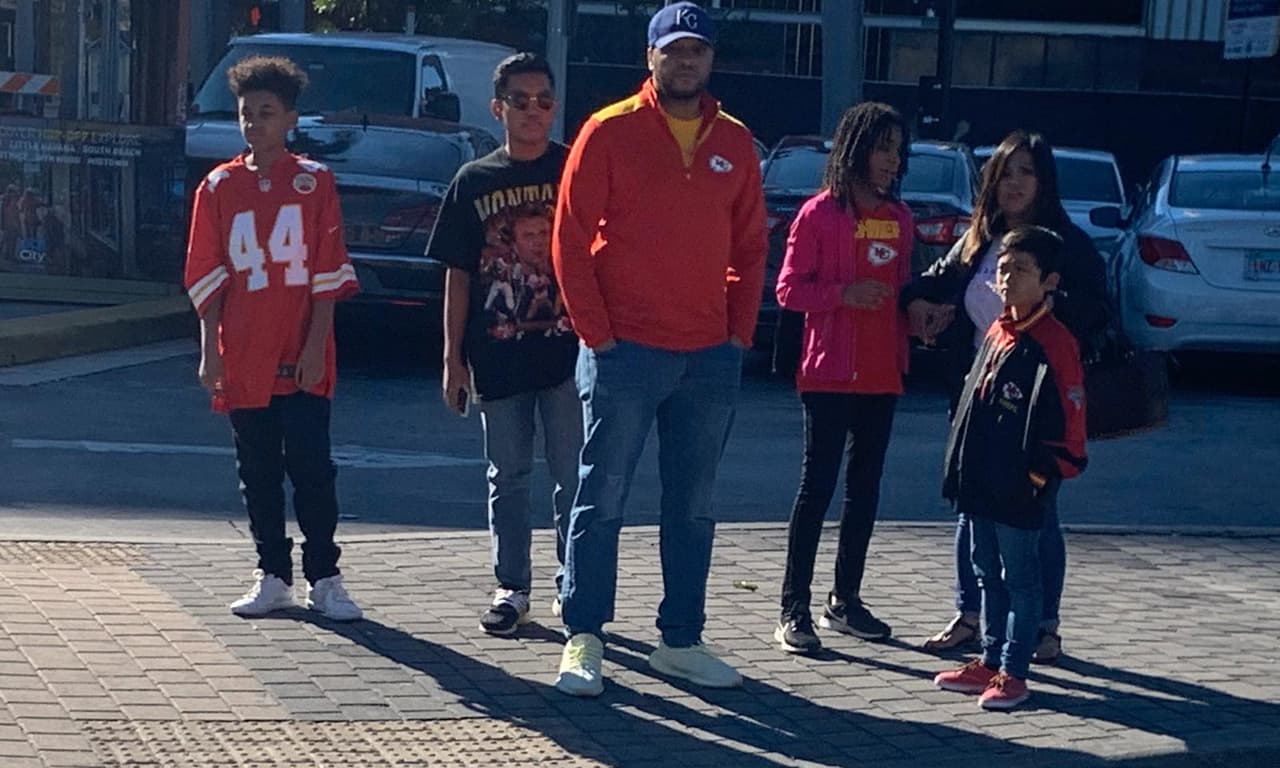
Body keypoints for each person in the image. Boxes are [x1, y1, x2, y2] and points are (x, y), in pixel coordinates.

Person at [550, 1, 768, 696]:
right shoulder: (607, 131)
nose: (685, 61)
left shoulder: (735, 140)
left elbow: (752, 247)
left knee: (693, 504)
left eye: (697, 51)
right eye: (673, 50)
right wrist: (598, 334)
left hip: (708, 355)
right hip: (626, 352)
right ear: (650, 57)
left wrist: (737, 334)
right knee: (601, 496)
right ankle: (584, 635)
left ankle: (681, 639)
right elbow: (569, 238)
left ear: (710, 60)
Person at [900, 130, 1107, 663]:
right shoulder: (979, 238)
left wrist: (1053, 313)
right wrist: (919, 305)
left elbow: (1096, 316)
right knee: (971, 511)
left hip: (1035, 410)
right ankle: (972, 617)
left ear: (1044, 181)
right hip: (976, 399)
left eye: (1026, 172)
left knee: (1036, 517)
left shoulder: (1064, 244)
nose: (1013, 183)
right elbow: (934, 283)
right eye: (1005, 171)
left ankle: (1043, 627)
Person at [183, 55, 362, 622]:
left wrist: (315, 347)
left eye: (266, 112)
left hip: (301, 350)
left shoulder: (315, 183)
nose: (254, 123)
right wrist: (211, 349)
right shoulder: (217, 187)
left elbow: (328, 273)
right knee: (256, 468)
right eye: (245, 113)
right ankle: (271, 572)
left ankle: (325, 577)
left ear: (291, 119)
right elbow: (207, 275)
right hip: (245, 352)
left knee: (312, 467)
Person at [428, 52, 581, 637]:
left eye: (544, 99)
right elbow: (459, 273)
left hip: (569, 355)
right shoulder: (475, 181)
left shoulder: (574, 171)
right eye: (521, 100)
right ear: (499, 108)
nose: (533, 110)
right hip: (497, 353)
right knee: (508, 476)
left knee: (573, 477)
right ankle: (512, 587)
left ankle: (574, 589)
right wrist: (452, 360)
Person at [771, 102, 914, 655]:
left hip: (883, 374)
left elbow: (902, 290)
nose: (892, 161)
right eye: (883, 148)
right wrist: (842, 296)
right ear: (855, 149)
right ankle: (793, 608)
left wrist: (921, 316)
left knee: (865, 492)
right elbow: (787, 290)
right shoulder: (817, 215)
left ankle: (845, 600)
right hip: (827, 373)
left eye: (897, 151)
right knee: (818, 488)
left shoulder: (899, 218)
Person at [932, 226, 1088, 710]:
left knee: (1021, 578)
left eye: (1020, 269)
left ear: (1049, 280)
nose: (1007, 277)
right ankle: (990, 658)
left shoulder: (1055, 344)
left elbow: (1071, 423)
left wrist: (1039, 477)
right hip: (980, 482)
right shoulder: (999, 331)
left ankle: (1015, 672)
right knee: (986, 573)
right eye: (1002, 267)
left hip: (1021, 487)